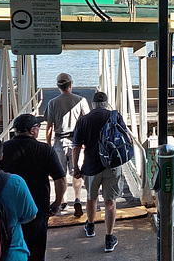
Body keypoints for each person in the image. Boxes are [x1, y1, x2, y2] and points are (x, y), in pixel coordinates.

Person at [0, 114, 67, 261]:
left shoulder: (2, 149)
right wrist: (57, 202)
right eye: (38, 127)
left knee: (8, 248)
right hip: (37, 209)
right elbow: (60, 179)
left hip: (7, 208)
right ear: (32, 131)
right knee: (36, 249)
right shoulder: (45, 150)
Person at [72, 91, 126, 252]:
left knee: (91, 197)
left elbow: (76, 146)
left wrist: (76, 167)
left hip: (91, 166)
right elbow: (125, 140)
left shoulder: (84, 120)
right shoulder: (115, 116)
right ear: (106, 103)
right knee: (110, 202)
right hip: (112, 165)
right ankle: (109, 239)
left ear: (93, 103)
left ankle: (90, 226)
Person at [44, 73, 90, 217]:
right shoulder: (81, 100)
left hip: (59, 142)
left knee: (60, 174)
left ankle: (62, 201)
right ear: (71, 84)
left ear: (58, 86)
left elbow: (50, 126)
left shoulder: (52, 102)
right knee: (76, 171)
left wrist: (48, 144)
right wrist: (86, 142)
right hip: (76, 141)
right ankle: (77, 198)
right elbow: (86, 123)